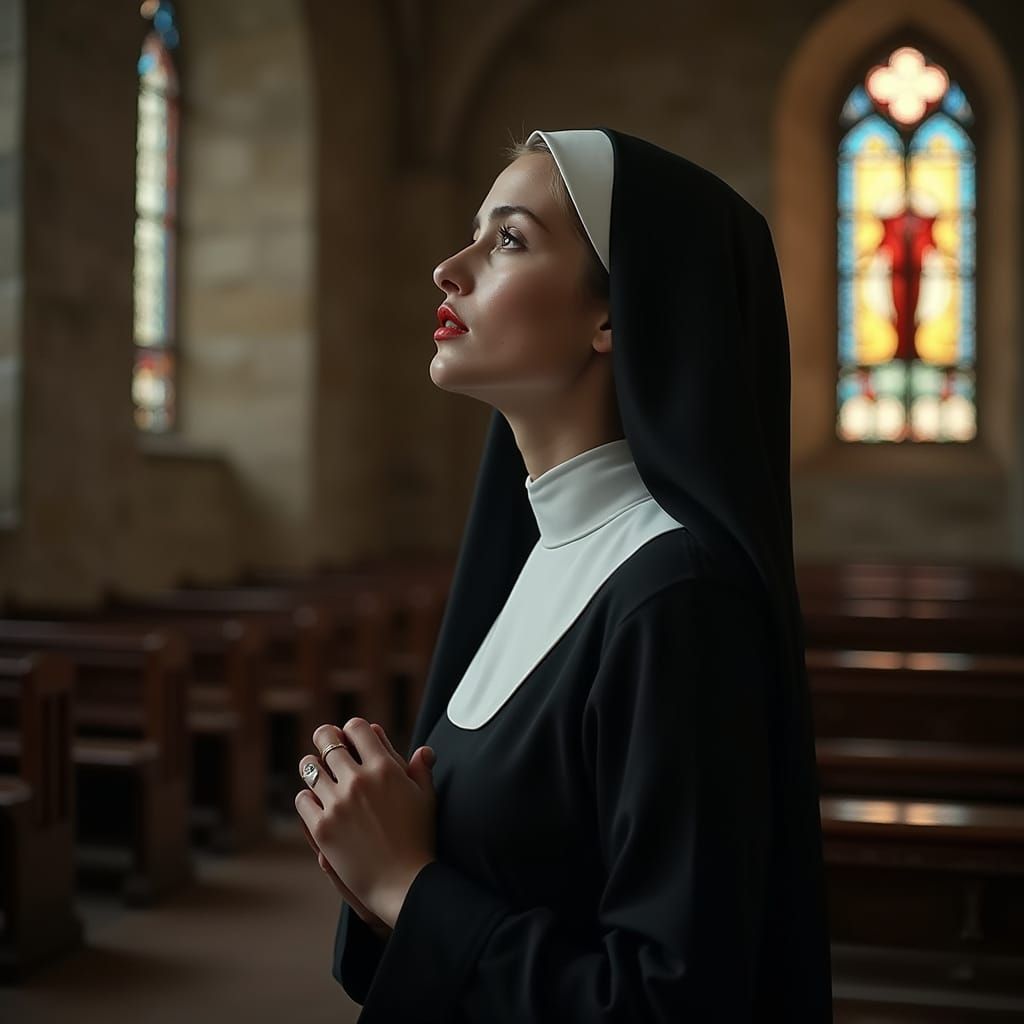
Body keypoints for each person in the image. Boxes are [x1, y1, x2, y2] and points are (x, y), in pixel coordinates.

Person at [295, 127, 834, 1021]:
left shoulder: (680, 599)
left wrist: (405, 884)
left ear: (616, 314)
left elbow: (669, 1004)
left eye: (508, 239)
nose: (449, 268)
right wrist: (374, 855)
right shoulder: (548, 555)